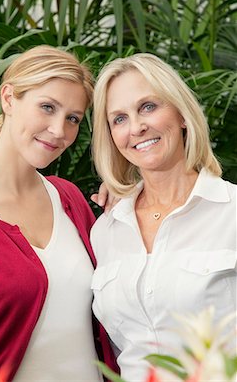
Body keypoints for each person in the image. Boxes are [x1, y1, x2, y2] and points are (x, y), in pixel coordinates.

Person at [0, 45, 117, 381]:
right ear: (8, 98)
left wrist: (129, 204)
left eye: (73, 118)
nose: (59, 130)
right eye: (47, 107)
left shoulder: (70, 198)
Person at [90, 53, 237, 382]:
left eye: (148, 107)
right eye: (119, 119)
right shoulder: (105, 231)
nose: (137, 127)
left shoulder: (232, 212)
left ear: (182, 114)